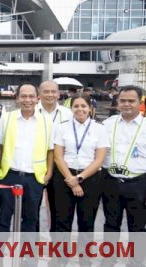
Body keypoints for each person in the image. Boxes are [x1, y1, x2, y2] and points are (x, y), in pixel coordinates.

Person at [0, 83, 54, 232]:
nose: (28, 100)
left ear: (38, 98)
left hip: (34, 178)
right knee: (3, 218)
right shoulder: (7, 118)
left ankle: (27, 255)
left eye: (31, 96)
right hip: (9, 175)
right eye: (23, 96)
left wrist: (49, 174)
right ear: (17, 98)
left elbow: (50, 150)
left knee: (30, 219)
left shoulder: (47, 121)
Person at [53, 93, 107, 233]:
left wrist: (78, 179)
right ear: (71, 108)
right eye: (76, 106)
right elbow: (58, 156)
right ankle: (61, 255)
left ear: (90, 108)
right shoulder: (62, 127)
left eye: (83, 106)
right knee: (62, 222)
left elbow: (99, 159)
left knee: (87, 223)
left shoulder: (100, 129)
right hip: (65, 176)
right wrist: (71, 179)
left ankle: (85, 254)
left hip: (90, 178)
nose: (80, 109)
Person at [101, 85, 146, 232]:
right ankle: (110, 256)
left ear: (140, 102)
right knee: (110, 225)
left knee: (138, 227)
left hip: (138, 183)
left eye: (131, 101)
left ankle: (137, 256)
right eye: (123, 100)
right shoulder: (107, 124)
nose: (126, 104)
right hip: (110, 181)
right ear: (118, 102)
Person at [37, 80, 73, 232]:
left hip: (60, 166)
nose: (50, 95)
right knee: (31, 210)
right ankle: (30, 250)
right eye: (46, 91)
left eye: (53, 91)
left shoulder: (68, 114)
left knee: (59, 211)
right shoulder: (31, 110)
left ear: (58, 94)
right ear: (39, 94)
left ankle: (56, 249)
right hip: (36, 165)